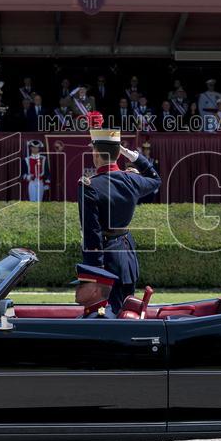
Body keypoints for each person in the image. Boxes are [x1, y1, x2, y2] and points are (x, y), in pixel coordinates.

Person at [78, 127, 161, 315]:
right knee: (127, 312)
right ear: (118, 154)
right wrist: (136, 158)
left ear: (97, 153)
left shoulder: (90, 186)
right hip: (127, 256)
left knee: (106, 316)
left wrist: (94, 272)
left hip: (106, 261)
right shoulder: (131, 179)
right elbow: (155, 179)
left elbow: (92, 233)